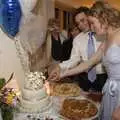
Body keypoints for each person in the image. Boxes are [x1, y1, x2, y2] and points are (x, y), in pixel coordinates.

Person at [50, 1, 120, 119]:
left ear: (103, 17)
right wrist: (62, 73)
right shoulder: (106, 40)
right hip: (110, 92)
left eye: (92, 22)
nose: (91, 27)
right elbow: (87, 64)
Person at [48, 7, 107, 92]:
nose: (80, 25)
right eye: (78, 23)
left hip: (103, 77)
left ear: (90, 17)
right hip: (84, 78)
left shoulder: (104, 35)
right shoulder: (77, 39)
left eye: (83, 20)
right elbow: (74, 59)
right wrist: (59, 67)